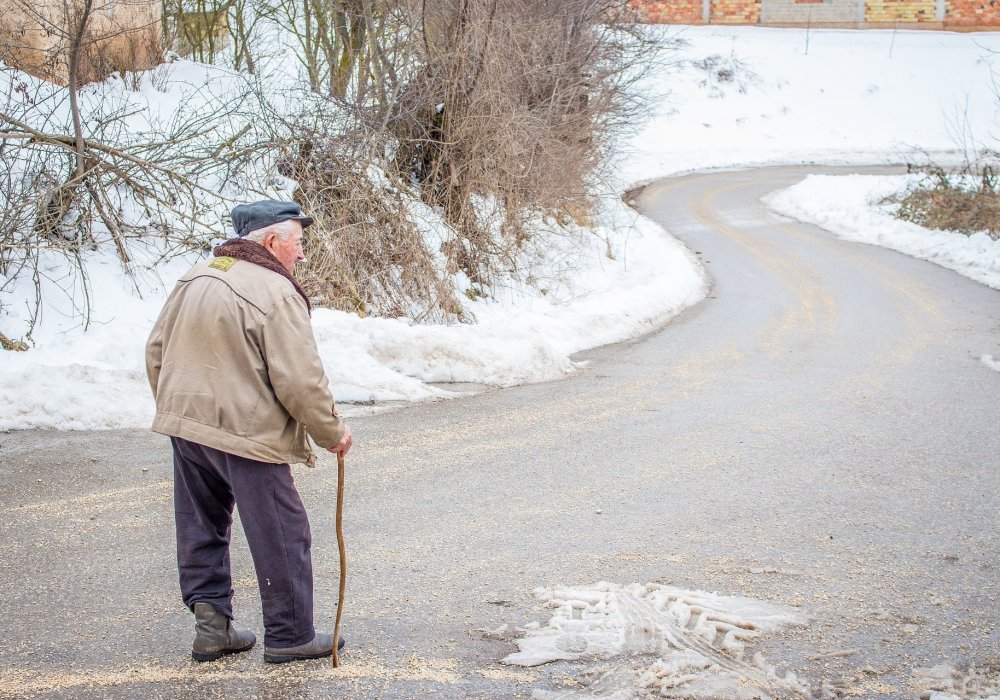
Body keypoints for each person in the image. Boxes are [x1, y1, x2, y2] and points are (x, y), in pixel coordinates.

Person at [145, 199, 353, 664]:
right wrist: (331, 432)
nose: (301, 255)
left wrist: (176, 407)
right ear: (273, 240)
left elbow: (156, 349)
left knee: (201, 525)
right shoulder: (275, 291)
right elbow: (300, 380)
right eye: (298, 243)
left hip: (187, 423)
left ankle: (212, 628)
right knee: (283, 530)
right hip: (245, 431)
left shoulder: (195, 276)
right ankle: (291, 635)